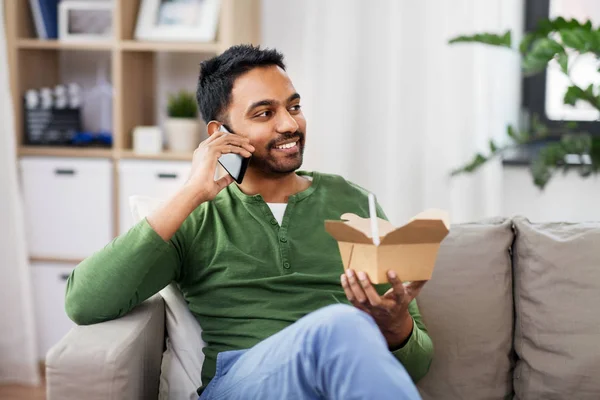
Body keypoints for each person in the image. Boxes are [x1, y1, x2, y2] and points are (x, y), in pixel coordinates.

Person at [65, 44, 433, 400]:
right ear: (220, 135)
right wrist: (192, 192)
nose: (290, 124)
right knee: (342, 324)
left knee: (344, 328)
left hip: (337, 384)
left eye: (295, 106)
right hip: (240, 386)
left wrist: (394, 326)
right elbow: (85, 302)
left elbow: (416, 365)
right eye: (264, 113)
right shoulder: (195, 216)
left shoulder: (354, 202)